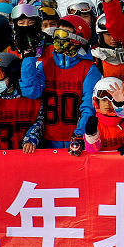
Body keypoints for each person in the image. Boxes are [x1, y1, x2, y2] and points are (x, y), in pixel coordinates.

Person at [19, 14, 103, 152]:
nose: (58, 38)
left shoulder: (89, 69)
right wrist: (29, 56)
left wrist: (79, 134)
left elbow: (89, 106)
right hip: (49, 140)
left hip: (75, 141)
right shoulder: (47, 65)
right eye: (56, 33)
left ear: (78, 38)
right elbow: (32, 92)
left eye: (63, 34)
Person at [81, 77, 124, 156]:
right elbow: (92, 150)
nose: (107, 104)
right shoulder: (94, 124)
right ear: (96, 101)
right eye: (103, 100)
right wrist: (91, 135)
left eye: (112, 100)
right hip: (103, 163)